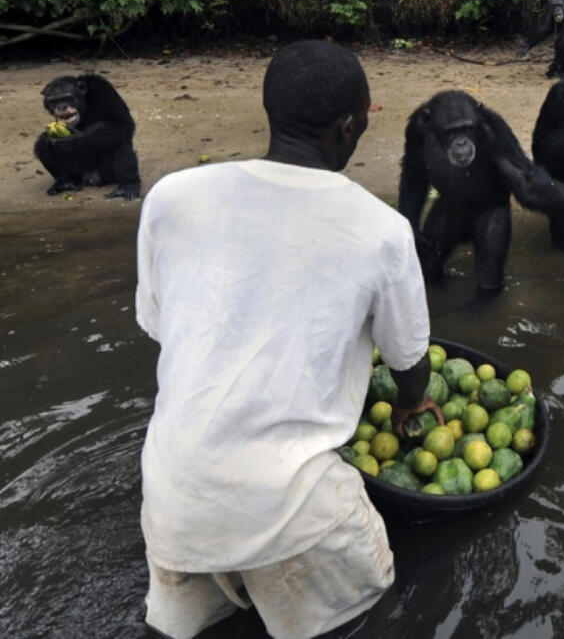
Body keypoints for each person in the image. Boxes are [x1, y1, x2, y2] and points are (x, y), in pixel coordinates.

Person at [135, 40, 440, 637]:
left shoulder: (172, 196)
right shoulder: (383, 231)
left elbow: (164, 328)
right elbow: (410, 360)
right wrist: (411, 401)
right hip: (291, 514)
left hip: (173, 496)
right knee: (363, 610)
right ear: (347, 128)